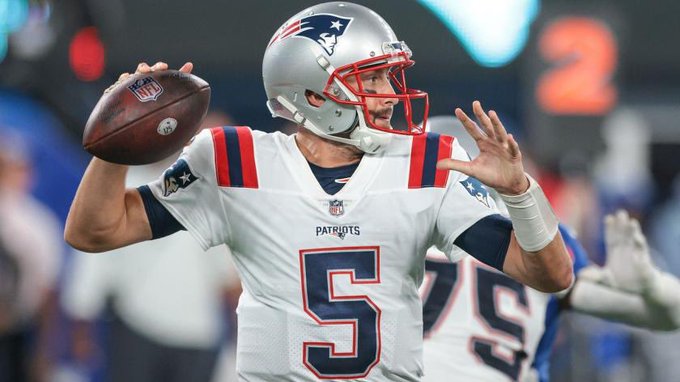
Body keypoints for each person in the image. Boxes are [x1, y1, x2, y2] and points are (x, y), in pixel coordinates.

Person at [64, 2, 572, 380]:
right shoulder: (236, 161)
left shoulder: (425, 164)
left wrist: (523, 193)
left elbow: (549, 274)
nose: (391, 96)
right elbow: (94, 231)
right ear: (312, 93)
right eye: (371, 81)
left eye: (391, 78)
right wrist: (115, 146)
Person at [420, 116, 680, 382]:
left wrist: (650, 285)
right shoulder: (541, 244)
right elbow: (667, 316)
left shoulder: (399, 222)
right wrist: (653, 285)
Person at [62, 112, 241, 382]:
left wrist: (241, 338)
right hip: (139, 325)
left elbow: (227, 280)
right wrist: (81, 326)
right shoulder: (122, 182)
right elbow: (94, 258)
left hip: (198, 334)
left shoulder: (214, 196)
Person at [0, 131, 63, 382]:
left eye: (13, 168)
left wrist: (45, 352)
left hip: (15, 336)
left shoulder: (39, 224)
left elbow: (49, 292)